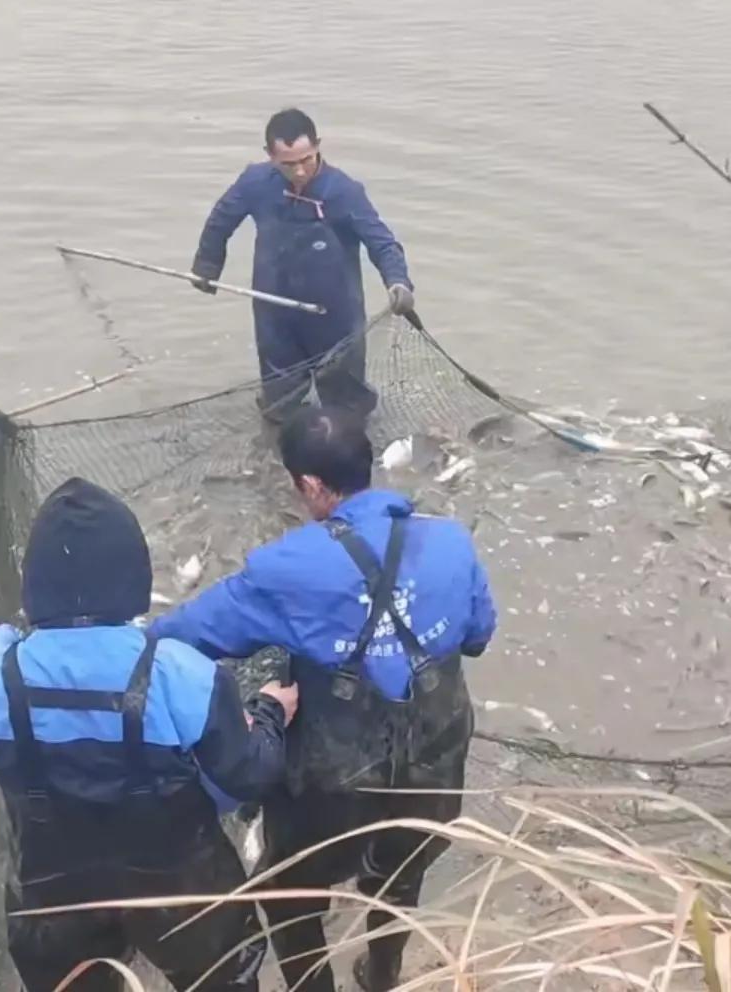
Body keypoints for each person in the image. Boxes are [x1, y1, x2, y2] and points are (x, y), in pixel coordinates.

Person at [0, 478, 296, 992]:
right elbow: (249, 773)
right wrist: (271, 713)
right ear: (134, 579)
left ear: (35, 589)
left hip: (55, 900)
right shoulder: (183, 675)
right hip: (180, 893)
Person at [152, 405, 496, 992]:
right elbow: (478, 638)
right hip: (435, 772)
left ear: (311, 485)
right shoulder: (451, 543)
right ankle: (381, 972)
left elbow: (177, 640)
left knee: (289, 897)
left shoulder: (284, 567)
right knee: (401, 874)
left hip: (331, 792)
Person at [191, 108, 415, 421]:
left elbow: (382, 242)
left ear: (318, 146)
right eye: (288, 164)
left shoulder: (345, 192)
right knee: (280, 407)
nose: (299, 171)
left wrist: (398, 282)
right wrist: (207, 266)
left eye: (306, 159)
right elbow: (221, 220)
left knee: (346, 407)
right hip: (274, 308)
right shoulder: (254, 183)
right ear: (269, 155)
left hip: (335, 313)